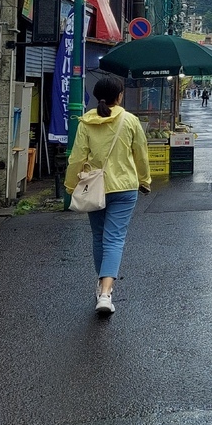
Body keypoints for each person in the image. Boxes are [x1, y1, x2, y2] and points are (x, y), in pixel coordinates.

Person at [64, 74, 151, 316]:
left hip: (94, 188)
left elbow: (77, 158)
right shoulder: (130, 120)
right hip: (124, 187)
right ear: (119, 96)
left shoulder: (86, 122)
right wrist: (144, 180)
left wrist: (71, 186)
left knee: (99, 237)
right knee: (114, 239)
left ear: (97, 97)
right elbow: (141, 154)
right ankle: (105, 293)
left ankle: (102, 286)